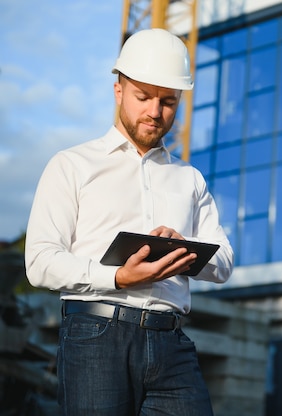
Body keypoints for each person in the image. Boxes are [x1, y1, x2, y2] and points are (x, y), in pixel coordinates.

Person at [24, 28, 233, 416]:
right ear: (118, 89)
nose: (155, 112)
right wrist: (119, 277)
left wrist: (184, 248)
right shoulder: (71, 165)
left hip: (172, 344)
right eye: (143, 97)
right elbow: (40, 261)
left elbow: (223, 263)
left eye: (168, 101)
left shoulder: (190, 179)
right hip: (96, 338)